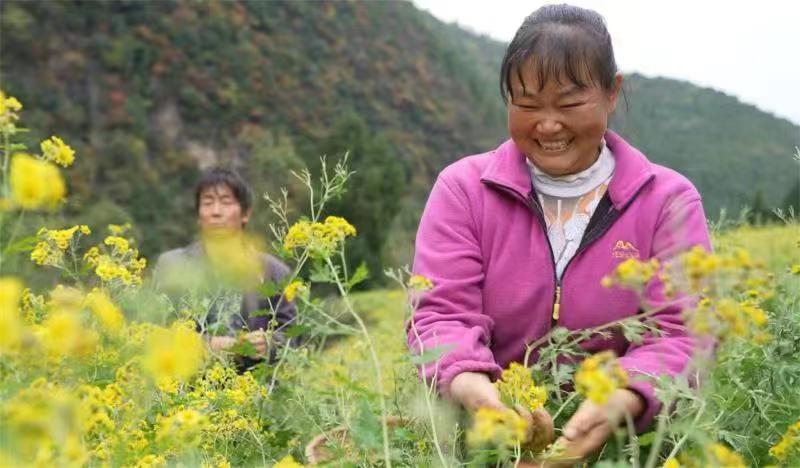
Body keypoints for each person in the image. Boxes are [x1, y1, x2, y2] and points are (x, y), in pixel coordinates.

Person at [408, 4, 711, 462]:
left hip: (624, 449)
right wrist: (479, 395)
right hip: (483, 445)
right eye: (526, 105)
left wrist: (619, 399)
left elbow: (683, 334)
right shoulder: (464, 189)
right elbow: (439, 318)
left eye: (569, 104)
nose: (547, 125)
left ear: (613, 93)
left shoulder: (667, 201)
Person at [154, 168, 297, 369]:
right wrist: (206, 345)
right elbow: (154, 332)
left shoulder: (274, 271)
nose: (216, 211)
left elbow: (293, 337)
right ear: (198, 215)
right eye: (207, 202)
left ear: (245, 213)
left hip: (254, 392)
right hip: (184, 391)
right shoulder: (173, 266)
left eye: (226, 202)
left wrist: (270, 344)